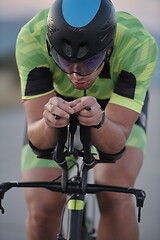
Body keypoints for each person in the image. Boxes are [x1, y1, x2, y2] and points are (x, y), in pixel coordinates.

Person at [15, 0, 158, 239]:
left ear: (109, 48)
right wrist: (49, 122)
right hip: (54, 105)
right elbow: (38, 137)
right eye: (64, 61)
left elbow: (116, 142)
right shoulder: (32, 37)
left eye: (89, 62)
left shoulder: (138, 45)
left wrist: (100, 120)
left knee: (114, 195)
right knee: (41, 208)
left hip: (113, 107)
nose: (75, 74)